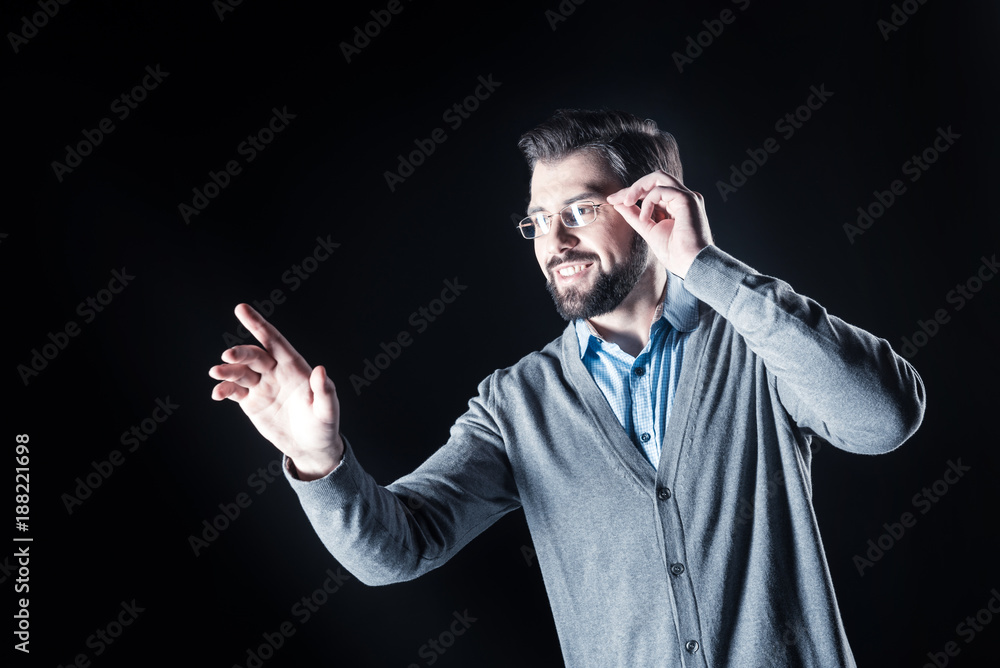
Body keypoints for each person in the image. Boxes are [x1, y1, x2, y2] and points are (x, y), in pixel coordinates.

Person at [208, 109, 925, 667]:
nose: (554, 241)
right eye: (538, 221)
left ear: (655, 205)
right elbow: (398, 549)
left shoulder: (756, 343)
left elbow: (883, 419)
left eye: (578, 210)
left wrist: (706, 265)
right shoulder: (516, 406)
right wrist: (321, 462)